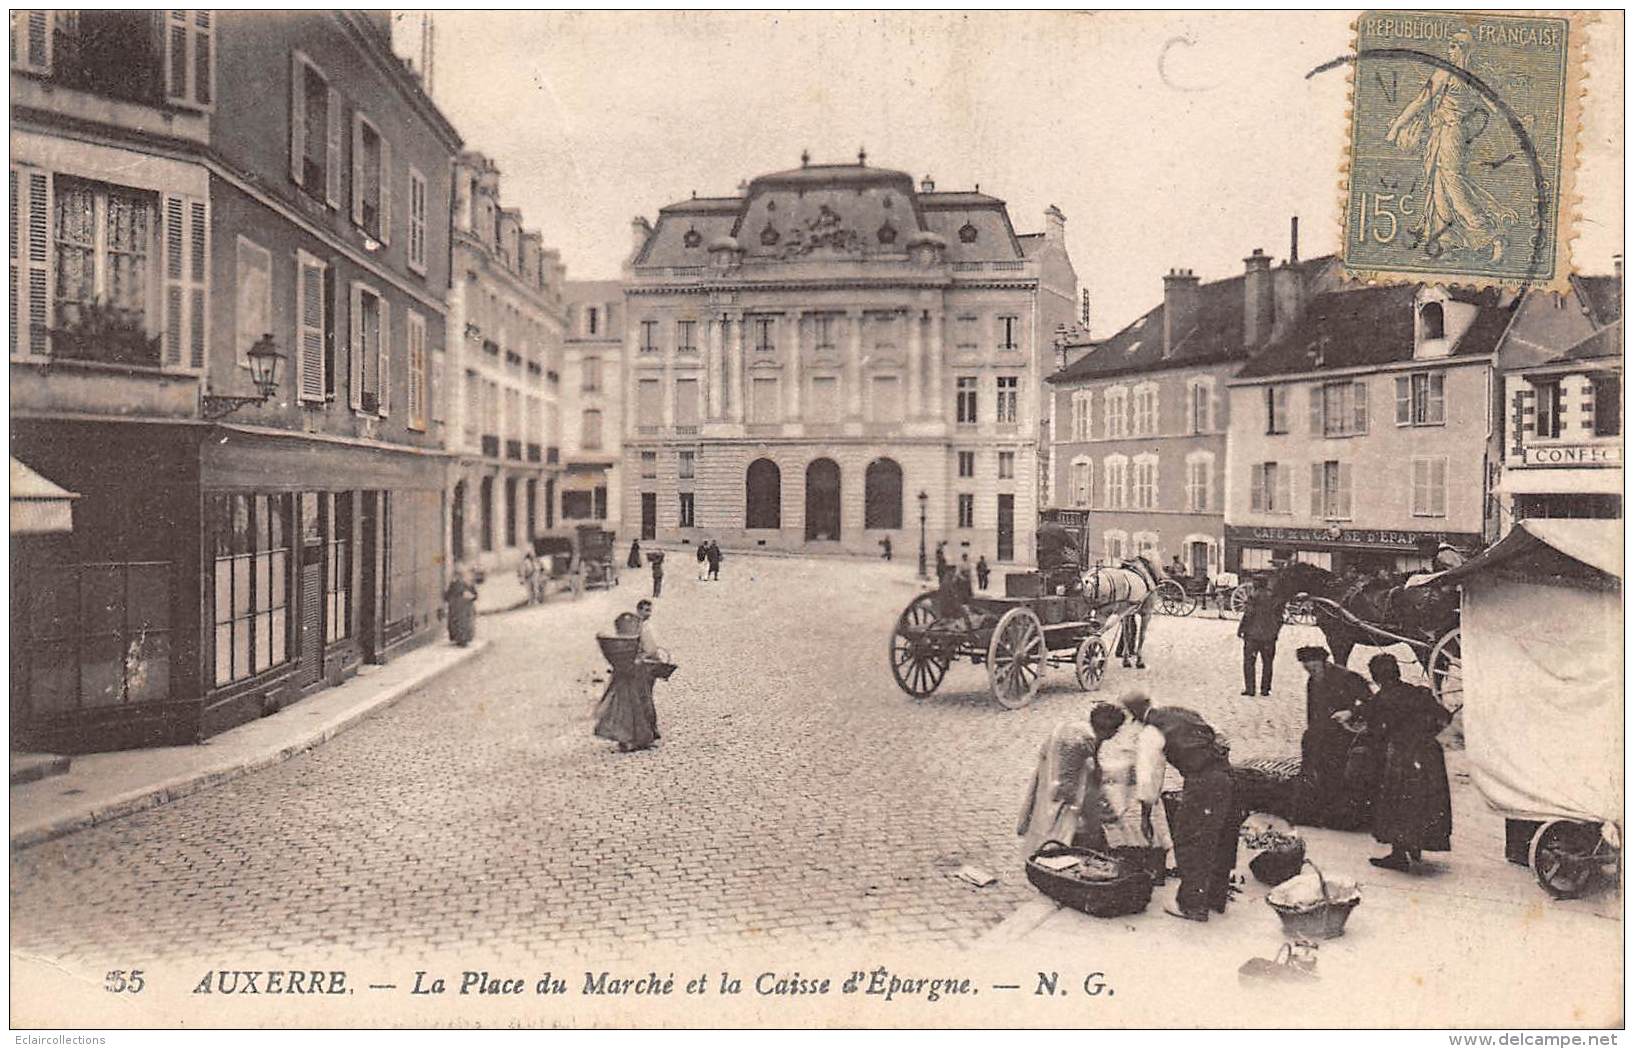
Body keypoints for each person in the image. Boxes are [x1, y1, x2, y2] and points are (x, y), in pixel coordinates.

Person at [1384, 27, 1517, 264]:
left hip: (1449, 133)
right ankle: (1444, 244)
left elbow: (1421, 101)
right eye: (1450, 46)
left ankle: (1492, 236)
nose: (1449, 50)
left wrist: (1396, 127)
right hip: (1451, 133)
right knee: (1439, 188)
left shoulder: (1445, 74)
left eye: (1453, 46)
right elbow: (1494, 105)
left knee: (1453, 186)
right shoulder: (1473, 77)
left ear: (1463, 50)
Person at [1120, 691, 1240, 922]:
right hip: (1228, 777)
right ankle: (1216, 898)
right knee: (1221, 837)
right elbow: (1220, 736)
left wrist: (1146, 816)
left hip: (1203, 784)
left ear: (1133, 714)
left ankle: (1192, 905)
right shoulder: (1182, 711)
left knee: (1191, 841)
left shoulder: (1151, 733)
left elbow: (1148, 779)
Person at [1366, 653, 1453, 871]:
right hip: (1429, 755)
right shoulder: (1419, 692)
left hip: (1402, 756)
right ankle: (1416, 847)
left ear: (1376, 678)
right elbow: (1445, 717)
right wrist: (1428, 733)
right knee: (1424, 802)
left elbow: (1374, 730)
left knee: (1397, 802)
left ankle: (1398, 855)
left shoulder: (1382, 699)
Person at [1092, 702, 1173, 884]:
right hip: (1142, 793)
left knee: (1148, 830)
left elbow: (1150, 782)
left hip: (1147, 796)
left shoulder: (1149, 746)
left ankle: (1152, 867)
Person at [1297, 645, 1376, 830]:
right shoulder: (1312, 681)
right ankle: (1319, 810)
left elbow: (1370, 702)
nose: (1310, 671)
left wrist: (1351, 712)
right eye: (1306, 667)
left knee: (1336, 773)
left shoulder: (1346, 677)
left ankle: (1336, 813)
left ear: (1323, 662)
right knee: (1316, 771)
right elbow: (1312, 711)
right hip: (1321, 733)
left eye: (1313, 667)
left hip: (1344, 734)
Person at [1017, 716, 1108, 857]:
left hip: (1054, 772)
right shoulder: (1082, 741)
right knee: (1058, 824)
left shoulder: (1087, 732)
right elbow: (1067, 784)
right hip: (1061, 784)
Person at [592, 611, 658, 753]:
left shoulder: (622, 640)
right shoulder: (642, 630)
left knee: (625, 706)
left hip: (624, 674)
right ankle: (637, 739)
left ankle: (629, 738)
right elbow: (651, 650)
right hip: (635, 674)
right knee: (637, 705)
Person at [1237, 577, 1282, 697]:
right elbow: (1280, 617)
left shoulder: (1253, 596)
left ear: (1257, 584)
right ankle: (1265, 689)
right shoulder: (1273, 597)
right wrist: (1275, 631)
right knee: (1268, 663)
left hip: (1253, 635)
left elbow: (1248, 615)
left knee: (1249, 662)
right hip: (1269, 636)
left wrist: (1241, 629)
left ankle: (1250, 689)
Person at [443, 565, 478, 647]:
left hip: (466, 609)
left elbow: (475, 594)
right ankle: (460, 639)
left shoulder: (468, 584)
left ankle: (463, 639)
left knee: (465, 623)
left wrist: (471, 597)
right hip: (457, 608)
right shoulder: (455, 584)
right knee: (458, 623)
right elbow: (448, 595)